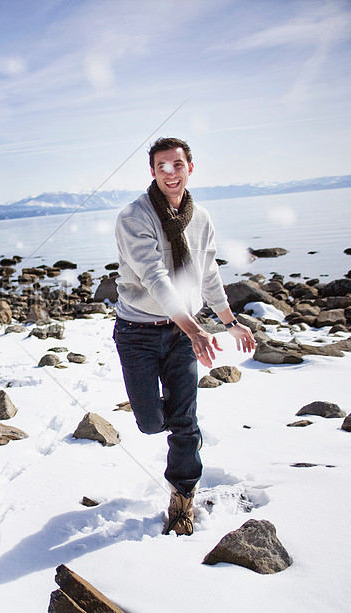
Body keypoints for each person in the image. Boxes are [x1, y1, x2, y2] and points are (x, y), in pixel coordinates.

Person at [112, 137, 255, 536]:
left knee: (185, 423)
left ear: (190, 166)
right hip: (137, 332)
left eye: (177, 164)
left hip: (179, 337)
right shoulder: (133, 217)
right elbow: (154, 276)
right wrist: (195, 328)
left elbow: (207, 274)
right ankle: (158, 410)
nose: (170, 172)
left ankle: (183, 496)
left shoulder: (202, 218)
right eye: (162, 166)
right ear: (153, 171)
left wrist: (230, 322)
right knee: (150, 422)